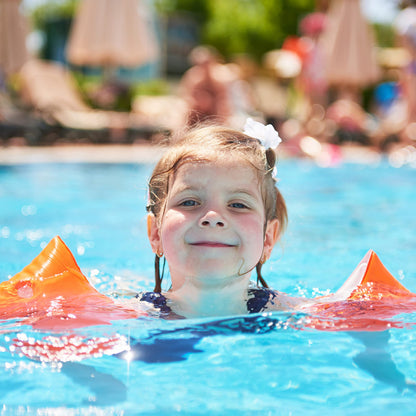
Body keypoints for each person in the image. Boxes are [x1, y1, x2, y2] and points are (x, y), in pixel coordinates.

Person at [139, 118, 303, 318]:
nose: (213, 217)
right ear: (155, 233)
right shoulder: (128, 316)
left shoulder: (296, 316)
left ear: (267, 238)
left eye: (238, 205)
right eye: (189, 202)